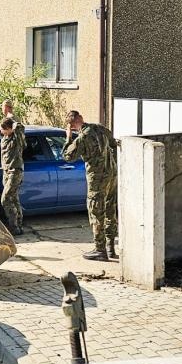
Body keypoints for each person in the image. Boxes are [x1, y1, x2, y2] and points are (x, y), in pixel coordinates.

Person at [63, 110, 118, 261]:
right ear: (81, 117)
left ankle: (100, 250)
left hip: (97, 179)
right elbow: (113, 143)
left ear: (72, 126)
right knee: (110, 210)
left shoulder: (82, 137)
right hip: (111, 175)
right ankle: (110, 248)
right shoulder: (100, 128)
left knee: (96, 212)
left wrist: (68, 138)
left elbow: (68, 156)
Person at [0, 116, 25, 236]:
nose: (1, 131)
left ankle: (13, 226)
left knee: (5, 199)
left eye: (3, 129)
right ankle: (18, 226)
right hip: (6, 172)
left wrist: (13, 123)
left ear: (9, 129)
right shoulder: (4, 138)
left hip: (15, 171)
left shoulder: (17, 140)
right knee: (14, 198)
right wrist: (3, 123)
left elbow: (20, 128)